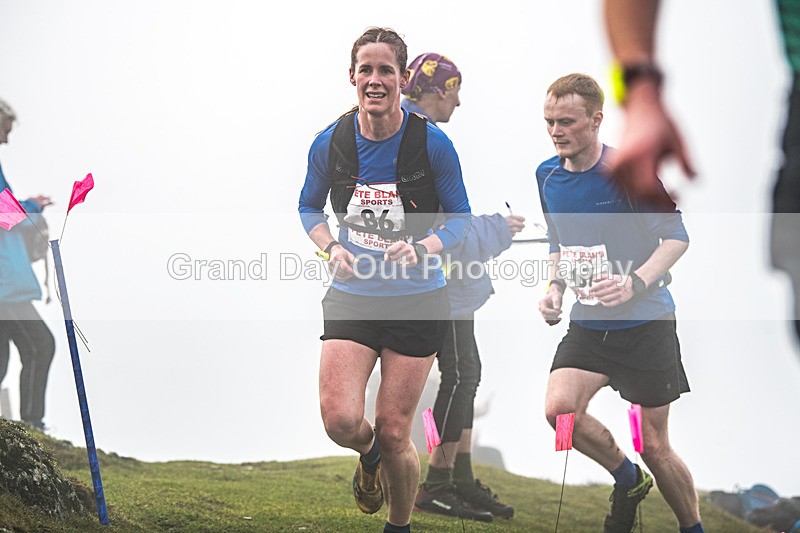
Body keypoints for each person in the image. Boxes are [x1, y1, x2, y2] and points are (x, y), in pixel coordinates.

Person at [297, 28, 472, 533]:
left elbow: (460, 218)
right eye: (366, 70)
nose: (375, 80)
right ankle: (367, 457)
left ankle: (399, 527)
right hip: (353, 297)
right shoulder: (329, 143)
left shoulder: (432, 144)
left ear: (401, 78)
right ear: (352, 77)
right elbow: (308, 206)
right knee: (340, 422)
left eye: (386, 70)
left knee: (397, 430)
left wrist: (422, 247)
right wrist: (330, 246)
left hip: (419, 301)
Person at [535, 74, 704, 533]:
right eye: (549, 121)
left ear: (596, 120)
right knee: (560, 412)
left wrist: (634, 282)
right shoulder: (546, 176)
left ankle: (693, 526)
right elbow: (558, 238)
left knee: (654, 445)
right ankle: (626, 478)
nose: (555, 131)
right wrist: (554, 290)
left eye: (566, 121)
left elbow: (676, 236)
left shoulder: (626, 170)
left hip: (646, 323)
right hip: (589, 325)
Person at [399, 52, 523, 522]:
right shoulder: (427, 138)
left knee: (466, 373)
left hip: (440, 281)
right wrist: (498, 229)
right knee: (460, 376)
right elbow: (448, 221)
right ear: (437, 90)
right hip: (438, 284)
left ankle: (461, 479)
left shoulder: (410, 133)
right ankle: (437, 483)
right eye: (455, 90)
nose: (459, 101)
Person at [0, 98, 55, 432]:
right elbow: (6, 214)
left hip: (8, 281)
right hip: (5, 287)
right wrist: (33, 206)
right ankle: (32, 426)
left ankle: (26, 430)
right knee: (40, 345)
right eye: (5, 130)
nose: (6, 139)